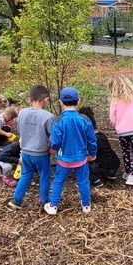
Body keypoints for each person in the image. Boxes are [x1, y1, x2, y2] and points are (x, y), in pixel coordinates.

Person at [44, 87, 97, 215]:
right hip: (81, 158)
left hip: (64, 159)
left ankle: (53, 206)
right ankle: (86, 205)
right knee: (84, 181)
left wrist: (53, 149)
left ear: (60, 102)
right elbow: (92, 139)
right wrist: (93, 154)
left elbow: (56, 142)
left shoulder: (57, 120)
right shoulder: (85, 119)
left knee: (58, 181)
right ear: (78, 101)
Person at [8, 85, 54, 209]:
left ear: (30, 99)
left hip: (25, 152)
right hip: (41, 153)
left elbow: (19, 128)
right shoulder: (48, 116)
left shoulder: (22, 113)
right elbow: (52, 135)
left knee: (25, 174)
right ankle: (44, 200)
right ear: (45, 101)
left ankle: (16, 200)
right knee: (45, 175)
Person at [108, 75, 133, 186]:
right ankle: (132, 175)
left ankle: (128, 172)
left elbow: (112, 117)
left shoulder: (114, 100)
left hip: (122, 131)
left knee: (126, 151)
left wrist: (117, 126)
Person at [79, 106, 121, 188]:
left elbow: (89, 155)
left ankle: (95, 180)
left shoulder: (91, 139)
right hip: (114, 163)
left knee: (83, 160)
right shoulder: (101, 135)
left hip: (103, 167)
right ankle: (110, 174)